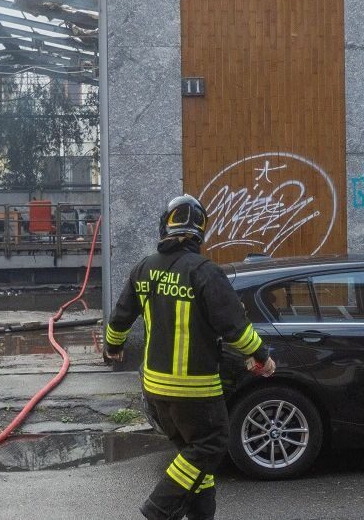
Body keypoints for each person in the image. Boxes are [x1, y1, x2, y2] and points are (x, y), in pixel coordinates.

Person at [104, 194, 276, 520]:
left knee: (195, 459)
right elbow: (235, 328)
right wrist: (261, 356)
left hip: (155, 390)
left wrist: (113, 348)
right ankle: (157, 510)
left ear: (164, 227)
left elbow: (119, 320)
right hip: (196, 390)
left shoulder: (144, 269)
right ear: (199, 232)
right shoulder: (205, 272)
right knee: (210, 446)